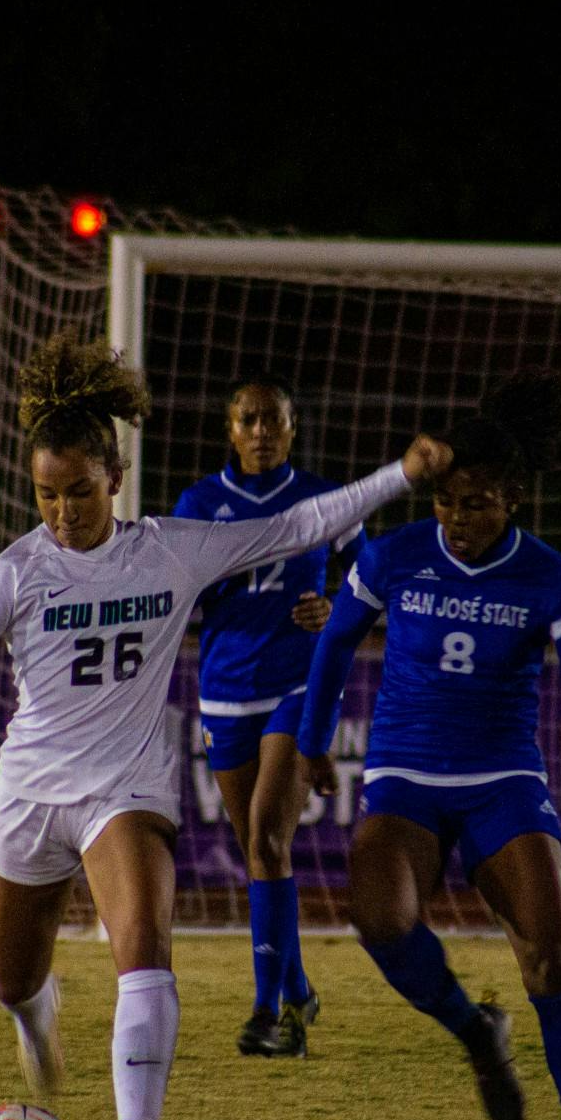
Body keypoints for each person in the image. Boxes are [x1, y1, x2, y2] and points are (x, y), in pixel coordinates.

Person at [0, 331, 451, 1120]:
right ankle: (34, 1016)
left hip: (123, 787)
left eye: (79, 492)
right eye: (46, 495)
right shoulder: (15, 573)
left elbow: (300, 523)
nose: (62, 512)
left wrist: (401, 474)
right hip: (27, 795)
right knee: (12, 974)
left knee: (144, 945)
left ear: (115, 478)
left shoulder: (171, 549)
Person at [296, 370, 561, 1120]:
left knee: (551, 956)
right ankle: (474, 1031)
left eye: (478, 503)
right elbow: (335, 645)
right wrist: (310, 741)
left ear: (513, 496)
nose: (459, 518)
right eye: (448, 501)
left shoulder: (551, 578)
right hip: (404, 773)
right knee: (378, 917)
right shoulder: (395, 553)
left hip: (503, 779)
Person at [172, 376, 359, 1058]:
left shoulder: (321, 499)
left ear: (292, 426)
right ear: (230, 428)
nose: (260, 430)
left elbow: (371, 584)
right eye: (248, 419)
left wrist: (336, 605)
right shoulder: (199, 504)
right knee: (259, 850)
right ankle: (299, 990)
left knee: (270, 840)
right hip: (224, 690)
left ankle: (266, 1014)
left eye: (272, 419)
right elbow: (174, 590)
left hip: (298, 684)